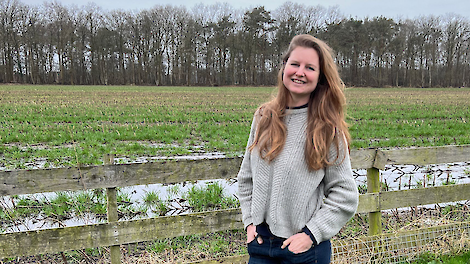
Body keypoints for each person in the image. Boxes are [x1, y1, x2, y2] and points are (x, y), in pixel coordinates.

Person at [237, 34, 359, 264]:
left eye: (310, 67)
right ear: (284, 67)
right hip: (261, 247)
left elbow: (345, 195)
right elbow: (246, 179)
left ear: (320, 77)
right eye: (294, 64)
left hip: (304, 252)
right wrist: (250, 223)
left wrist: (311, 235)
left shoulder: (327, 129)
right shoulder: (264, 117)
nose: (300, 72)